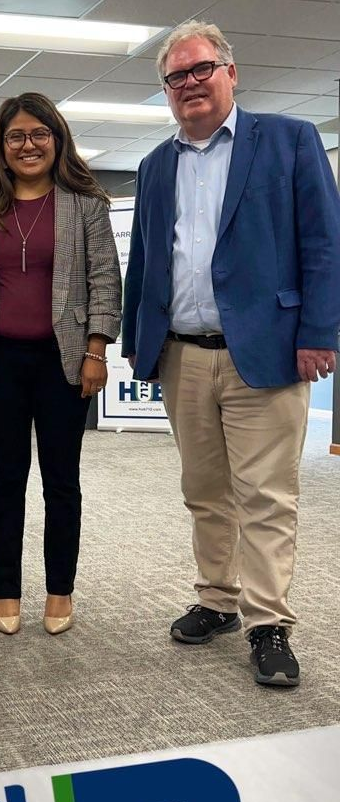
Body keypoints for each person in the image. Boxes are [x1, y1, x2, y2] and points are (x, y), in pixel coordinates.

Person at [122, 21, 340, 687]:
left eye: (201, 69)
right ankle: (217, 599)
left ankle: (267, 620)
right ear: (166, 90)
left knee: (265, 495)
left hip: (267, 349)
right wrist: (140, 345)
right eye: (177, 76)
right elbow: (148, 262)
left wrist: (320, 332)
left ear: (230, 73)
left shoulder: (288, 140)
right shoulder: (157, 164)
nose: (190, 83)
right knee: (204, 490)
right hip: (184, 356)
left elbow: (325, 243)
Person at [0, 92, 121, 635]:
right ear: (2, 147)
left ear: (56, 140)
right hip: (0, 364)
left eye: (39, 133)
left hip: (64, 363)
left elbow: (105, 280)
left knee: (62, 482)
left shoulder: (86, 204)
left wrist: (96, 350)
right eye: (16, 136)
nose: (28, 144)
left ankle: (60, 590)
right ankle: (6, 590)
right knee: (5, 481)